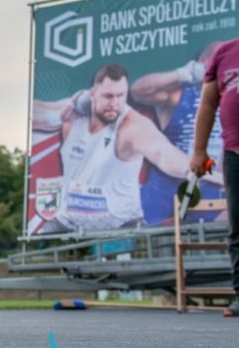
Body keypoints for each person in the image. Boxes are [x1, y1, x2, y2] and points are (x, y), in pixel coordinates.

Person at [32, 63, 220, 233]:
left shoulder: (133, 126)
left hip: (117, 224)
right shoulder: (76, 111)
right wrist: (57, 117)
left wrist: (218, 176)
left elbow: (166, 155)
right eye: (108, 96)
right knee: (40, 241)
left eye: (120, 96)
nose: (114, 103)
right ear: (93, 94)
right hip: (71, 220)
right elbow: (32, 112)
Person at [131, 44, 225, 223]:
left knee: (210, 233)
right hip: (166, 186)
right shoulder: (180, 94)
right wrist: (184, 73)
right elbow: (138, 91)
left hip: (210, 185)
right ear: (204, 62)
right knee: (150, 234)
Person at [188, 37, 239, 316]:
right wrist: (199, 151)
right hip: (234, 153)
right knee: (238, 228)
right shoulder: (225, 52)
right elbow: (208, 102)